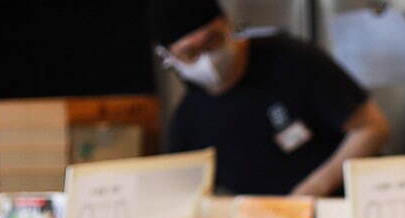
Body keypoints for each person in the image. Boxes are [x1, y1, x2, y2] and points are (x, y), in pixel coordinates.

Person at [150, 0, 389, 196]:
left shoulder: (292, 60)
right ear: (171, 59)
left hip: (343, 207)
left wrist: (312, 190)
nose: (207, 59)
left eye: (213, 40)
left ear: (228, 26)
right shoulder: (189, 116)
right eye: (190, 53)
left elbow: (372, 128)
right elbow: (180, 194)